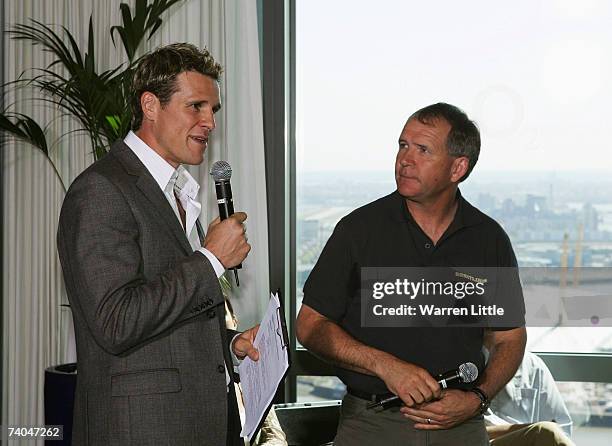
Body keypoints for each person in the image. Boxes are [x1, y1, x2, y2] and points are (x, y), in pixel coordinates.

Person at [57, 43, 259, 445]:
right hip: (140, 429)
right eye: (196, 106)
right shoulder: (101, 190)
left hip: (195, 425)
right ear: (150, 105)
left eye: (213, 110)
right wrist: (211, 259)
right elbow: (117, 322)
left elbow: (172, 315)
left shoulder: (177, 192)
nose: (210, 123)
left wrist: (229, 344)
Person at [296, 103, 527, 445]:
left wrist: (478, 397)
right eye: (403, 145)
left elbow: (509, 338)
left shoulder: (488, 239)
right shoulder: (359, 230)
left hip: (461, 428)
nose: (405, 159)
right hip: (373, 424)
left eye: (423, 150)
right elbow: (309, 325)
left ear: (457, 168)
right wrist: (385, 366)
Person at [485, 351, 575, 445]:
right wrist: (532, 430)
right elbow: (473, 432)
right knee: (545, 431)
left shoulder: (532, 363)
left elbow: (562, 427)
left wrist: (532, 431)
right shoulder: (470, 366)